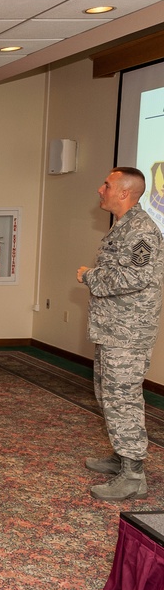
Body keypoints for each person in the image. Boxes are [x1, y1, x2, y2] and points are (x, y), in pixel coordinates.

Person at [80, 167, 164, 501]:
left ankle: (133, 476)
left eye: (107, 185)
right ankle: (121, 455)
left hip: (128, 334)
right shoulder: (124, 226)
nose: (101, 189)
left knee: (123, 399)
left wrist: (90, 276)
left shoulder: (141, 230)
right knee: (108, 395)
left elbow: (134, 278)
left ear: (125, 192)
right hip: (113, 329)